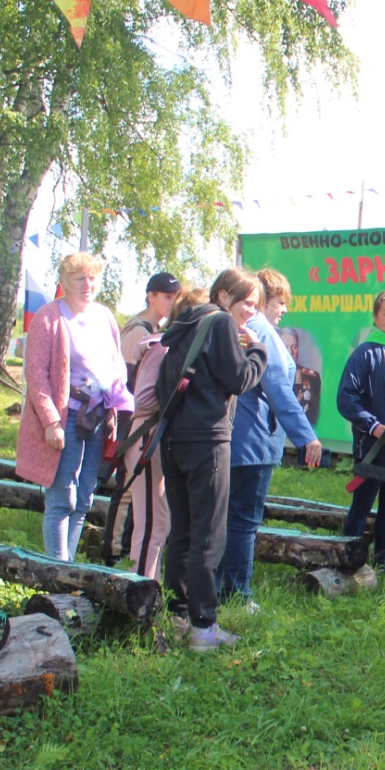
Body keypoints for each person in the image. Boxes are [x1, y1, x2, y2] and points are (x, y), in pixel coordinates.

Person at [156, 268, 267, 651]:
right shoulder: (219, 322)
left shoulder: (184, 323)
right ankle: (204, 628)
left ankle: (178, 614)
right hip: (208, 440)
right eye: (246, 303)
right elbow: (239, 379)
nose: (250, 312)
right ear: (223, 296)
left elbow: (161, 383)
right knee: (209, 534)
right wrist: (257, 351)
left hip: (175, 439)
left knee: (183, 531)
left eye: (256, 305)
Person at [219, 267, 324, 604]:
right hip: (252, 441)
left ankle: (220, 584)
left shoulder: (235, 326)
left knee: (226, 517)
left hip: (233, 437)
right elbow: (278, 387)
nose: (284, 309)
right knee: (244, 520)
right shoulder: (259, 331)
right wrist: (307, 436)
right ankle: (238, 591)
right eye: (280, 301)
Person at [16, 252, 128, 561]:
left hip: (97, 415)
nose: (87, 284)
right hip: (66, 416)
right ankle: (58, 569)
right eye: (80, 278)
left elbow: (116, 364)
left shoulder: (104, 317)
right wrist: (51, 421)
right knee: (62, 495)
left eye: (92, 277)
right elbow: (36, 375)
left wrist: (114, 409)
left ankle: (68, 567)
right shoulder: (49, 317)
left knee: (84, 497)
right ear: (64, 282)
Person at [126, 287, 208, 580]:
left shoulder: (176, 345)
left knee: (162, 523)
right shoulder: (162, 346)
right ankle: (138, 593)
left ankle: (151, 591)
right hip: (149, 434)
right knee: (151, 525)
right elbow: (145, 399)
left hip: (163, 436)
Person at [338, 290, 385, 568]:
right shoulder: (365, 353)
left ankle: (382, 562)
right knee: (362, 504)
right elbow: (346, 399)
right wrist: (373, 426)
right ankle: (347, 561)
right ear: (375, 316)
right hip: (373, 446)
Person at [119, 271, 181, 372]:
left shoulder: (156, 329)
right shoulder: (138, 331)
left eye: (176, 298)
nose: (173, 303)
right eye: (168, 297)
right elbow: (130, 377)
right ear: (151, 297)